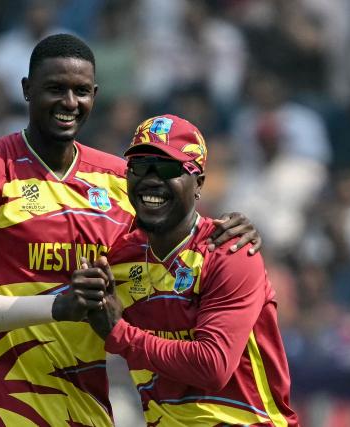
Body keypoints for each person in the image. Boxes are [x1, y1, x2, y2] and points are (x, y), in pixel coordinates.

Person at [0, 34, 262, 426]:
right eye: (55, 89)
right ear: (27, 90)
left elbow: (174, 247)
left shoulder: (121, 178)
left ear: (95, 95)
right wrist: (58, 306)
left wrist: (229, 232)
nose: (69, 103)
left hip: (87, 415)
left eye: (81, 91)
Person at [73, 114, 299, 426]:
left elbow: (213, 366)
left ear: (199, 184)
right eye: (140, 166)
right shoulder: (117, 259)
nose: (151, 179)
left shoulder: (230, 252)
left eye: (167, 168)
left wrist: (119, 333)